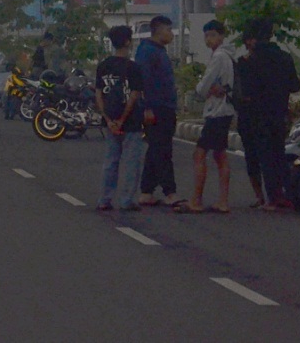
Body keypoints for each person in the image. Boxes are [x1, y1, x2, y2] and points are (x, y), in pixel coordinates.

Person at [176, 20, 235, 214]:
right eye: (206, 35)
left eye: (212, 35)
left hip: (216, 112)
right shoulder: (228, 56)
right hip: (225, 110)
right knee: (220, 155)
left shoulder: (219, 57)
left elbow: (202, 88)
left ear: (221, 36)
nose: (208, 39)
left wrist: (205, 89)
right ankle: (223, 201)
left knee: (200, 153)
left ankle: (196, 200)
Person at [242, 18, 300, 211]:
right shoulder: (284, 57)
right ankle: (288, 195)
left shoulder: (252, 60)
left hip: (258, 114)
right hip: (280, 112)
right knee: (279, 155)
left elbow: (246, 91)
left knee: (265, 156)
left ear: (254, 38)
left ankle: (272, 199)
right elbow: (295, 85)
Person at [94, 25, 145, 211]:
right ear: (127, 42)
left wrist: (108, 119)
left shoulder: (103, 66)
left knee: (110, 161)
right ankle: (126, 200)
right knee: (131, 163)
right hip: (130, 122)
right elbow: (134, 95)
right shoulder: (133, 68)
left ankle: (104, 199)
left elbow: (99, 94)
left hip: (110, 122)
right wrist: (123, 119)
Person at [135, 15, 184, 207]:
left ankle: (146, 191)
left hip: (165, 106)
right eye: (168, 30)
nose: (171, 34)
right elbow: (142, 80)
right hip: (156, 108)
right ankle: (170, 192)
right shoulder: (147, 52)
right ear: (158, 31)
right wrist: (146, 107)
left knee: (156, 149)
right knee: (163, 150)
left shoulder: (158, 51)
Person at [235, 45, 264, 208]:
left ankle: (260, 196)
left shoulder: (243, 63)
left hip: (248, 115)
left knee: (252, 157)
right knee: (269, 157)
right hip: (269, 115)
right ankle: (275, 196)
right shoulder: (277, 59)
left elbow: (238, 91)